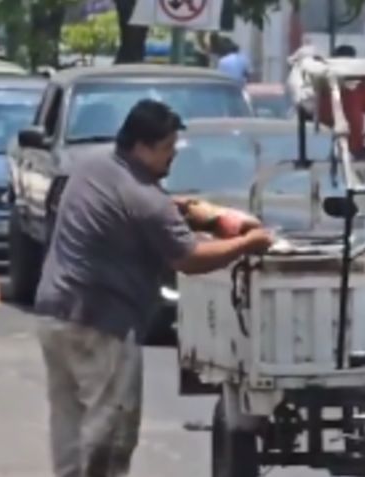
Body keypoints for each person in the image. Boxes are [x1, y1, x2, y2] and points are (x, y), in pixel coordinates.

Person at [33, 99, 274, 477]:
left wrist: (181, 208)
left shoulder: (92, 167)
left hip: (54, 312)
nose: (172, 156)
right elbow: (189, 259)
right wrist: (249, 243)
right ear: (141, 146)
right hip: (102, 323)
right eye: (166, 148)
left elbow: (126, 209)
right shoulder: (146, 200)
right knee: (110, 428)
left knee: (69, 419)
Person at [316, 44, 365, 159]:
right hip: (333, 149)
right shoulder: (326, 87)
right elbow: (321, 119)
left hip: (356, 149)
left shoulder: (362, 86)